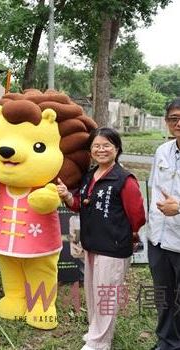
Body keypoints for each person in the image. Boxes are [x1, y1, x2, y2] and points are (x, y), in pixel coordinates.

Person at [57, 127, 145, 350]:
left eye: (107, 145)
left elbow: (138, 216)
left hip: (113, 247)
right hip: (92, 244)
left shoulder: (125, 179)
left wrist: (125, 235)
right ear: (91, 150)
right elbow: (79, 204)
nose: (101, 149)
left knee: (106, 295)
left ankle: (101, 342)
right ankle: (95, 333)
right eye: (96, 145)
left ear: (117, 149)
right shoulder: (90, 175)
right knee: (94, 292)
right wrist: (67, 194)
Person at [147, 97, 180, 350]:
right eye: (173, 118)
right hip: (158, 239)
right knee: (164, 297)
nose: (178, 123)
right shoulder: (163, 151)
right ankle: (166, 343)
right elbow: (153, 189)